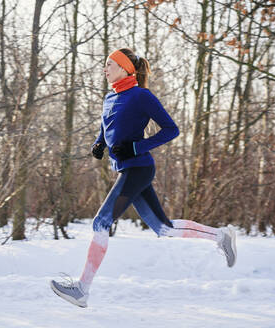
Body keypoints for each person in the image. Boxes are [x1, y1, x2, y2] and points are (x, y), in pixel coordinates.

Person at [50, 48, 237, 308]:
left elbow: (172, 130)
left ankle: (82, 289)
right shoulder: (109, 98)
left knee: (101, 222)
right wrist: (99, 144)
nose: (105, 69)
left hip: (139, 167)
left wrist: (137, 147)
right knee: (164, 228)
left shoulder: (141, 96)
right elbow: (107, 126)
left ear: (126, 69)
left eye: (109, 64)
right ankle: (220, 236)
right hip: (128, 170)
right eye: (105, 65)